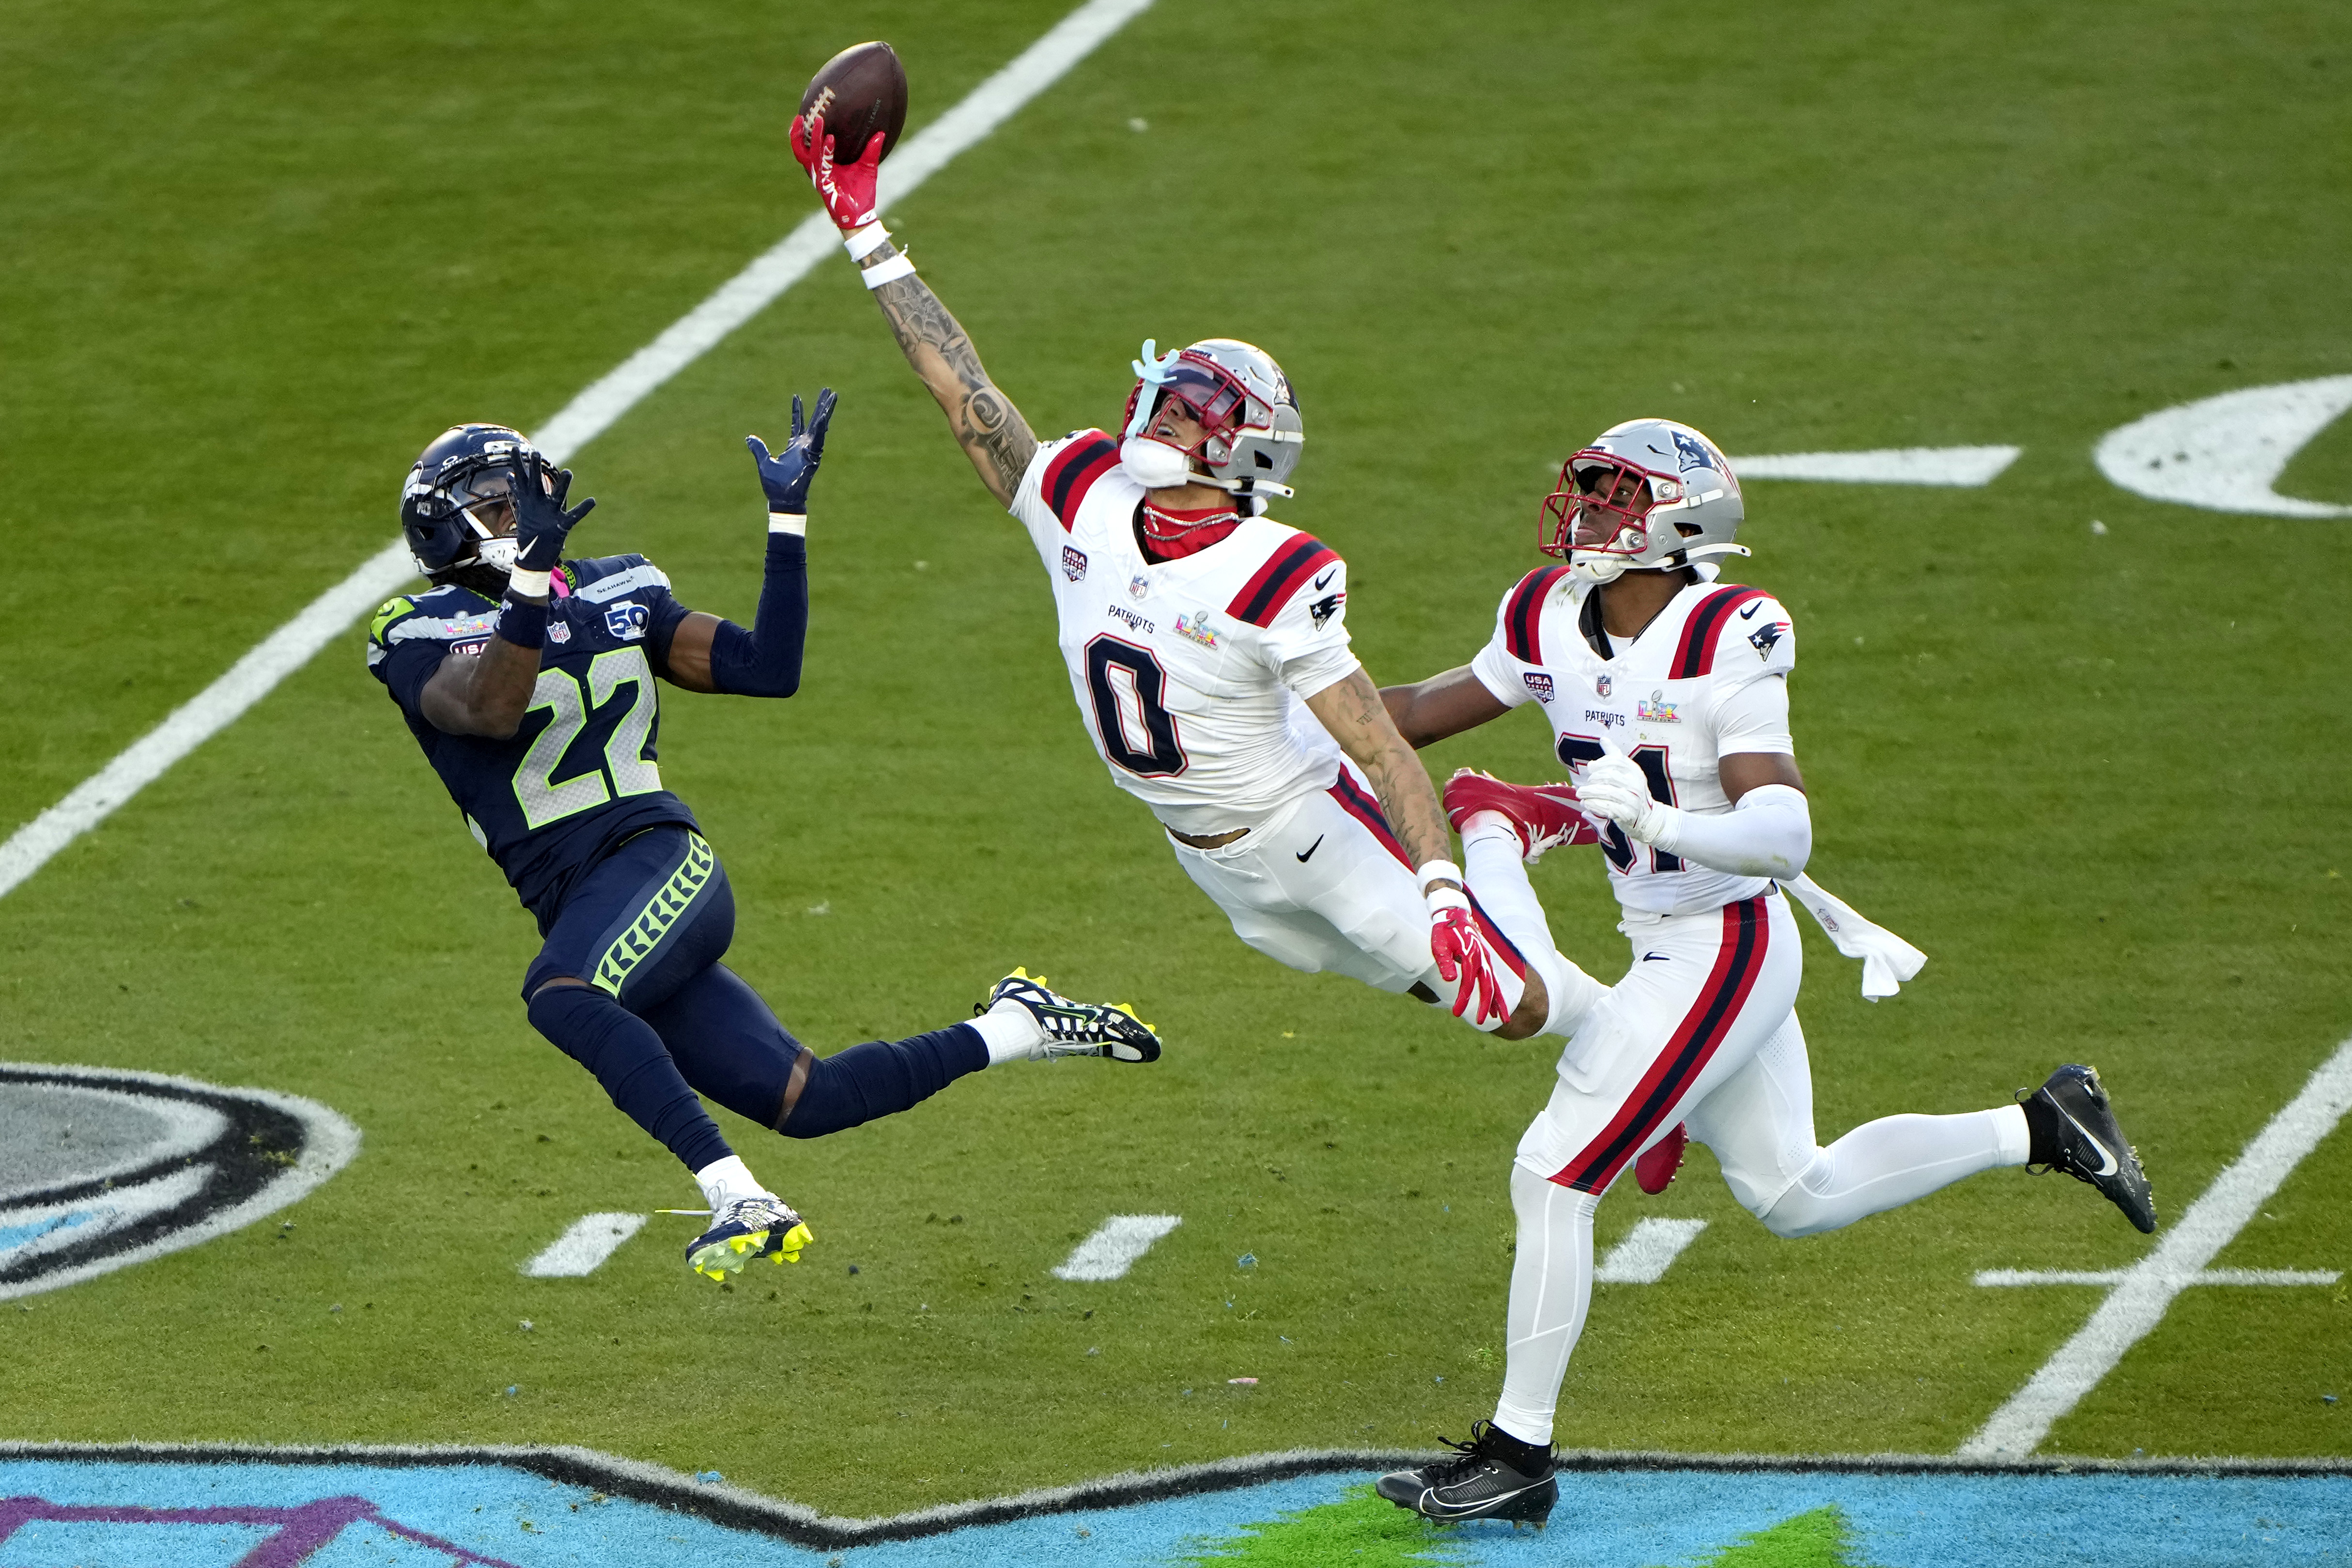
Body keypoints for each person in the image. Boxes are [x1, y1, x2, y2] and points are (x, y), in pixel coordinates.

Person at [1367, 418, 2158, 1525]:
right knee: (1796, 1191)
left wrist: (1660, 817)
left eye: (1613, 495)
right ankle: (2044, 1124)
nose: (1587, 511)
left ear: (1680, 520)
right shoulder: (1546, 612)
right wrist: (1281, 707)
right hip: (1668, 943)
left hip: (1723, 944)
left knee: (1552, 1172)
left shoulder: (1726, 631)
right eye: (1585, 490)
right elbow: (1407, 714)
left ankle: (1517, 1453)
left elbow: (1783, 835)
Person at [789, 115, 1578, 1043]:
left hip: (1307, 827)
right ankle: (1646, 1055)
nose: (1168, 416)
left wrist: (1442, 880)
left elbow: (1376, 747)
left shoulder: (1280, 568)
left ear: (1247, 447)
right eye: (1167, 397)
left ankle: (1492, 828)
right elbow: (962, 388)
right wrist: (865, 235)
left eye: (1197, 410)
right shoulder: (1081, 492)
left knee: (1514, 1008)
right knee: (1415, 984)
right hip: (1206, 859)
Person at [365, 396, 1159, 1284]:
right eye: (498, 502)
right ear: (442, 529)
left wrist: (787, 524)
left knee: (561, 993)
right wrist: (529, 583)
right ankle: (1018, 1024)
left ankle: (739, 1196)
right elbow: (489, 706)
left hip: (657, 859)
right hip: (587, 898)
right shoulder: (415, 630)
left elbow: (763, 668)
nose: (524, 513)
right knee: (809, 1098)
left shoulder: (617, 586)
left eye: (522, 494)